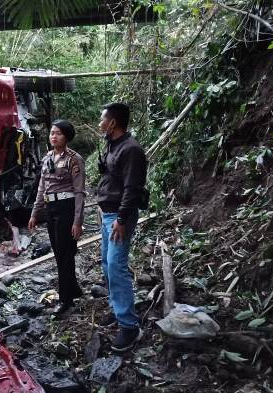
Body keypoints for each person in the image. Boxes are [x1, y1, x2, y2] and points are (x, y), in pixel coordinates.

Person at [97, 102, 147, 351]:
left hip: (118, 216)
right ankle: (118, 310)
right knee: (107, 265)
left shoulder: (131, 149)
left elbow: (132, 188)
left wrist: (122, 219)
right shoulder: (113, 145)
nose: (99, 124)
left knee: (117, 267)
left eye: (102, 119)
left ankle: (129, 326)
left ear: (113, 122)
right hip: (106, 214)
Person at [28, 119, 86, 315]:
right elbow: (41, 188)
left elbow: (79, 192)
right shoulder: (47, 159)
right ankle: (74, 289)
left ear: (67, 137)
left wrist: (78, 221)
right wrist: (35, 213)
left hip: (66, 208)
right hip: (51, 208)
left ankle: (66, 299)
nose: (53, 136)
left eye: (58, 133)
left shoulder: (74, 159)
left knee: (65, 253)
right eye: (52, 133)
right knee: (60, 252)